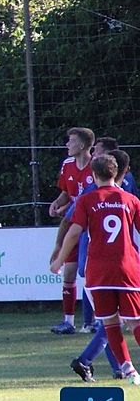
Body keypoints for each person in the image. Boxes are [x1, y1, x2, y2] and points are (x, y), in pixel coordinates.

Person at [50, 153, 140, 386]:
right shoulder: (131, 200)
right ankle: (126, 369)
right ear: (118, 172)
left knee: (110, 323)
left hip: (98, 271)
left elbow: (73, 232)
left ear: (92, 175)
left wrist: (59, 260)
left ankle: (129, 370)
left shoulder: (87, 200)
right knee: (135, 322)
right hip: (127, 269)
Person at [69, 149, 133, 381]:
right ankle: (115, 366)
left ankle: (95, 362)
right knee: (116, 321)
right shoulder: (122, 196)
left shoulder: (121, 194)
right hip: (114, 267)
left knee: (112, 320)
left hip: (104, 267)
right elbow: (72, 221)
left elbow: (70, 224)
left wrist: (59, 252)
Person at [48, 127, 95, 334]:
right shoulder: (67, 165)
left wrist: (67, 209)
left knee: (90, 274)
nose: (67, 144)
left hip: (91, 227)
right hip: (72, 224)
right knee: (69, 272)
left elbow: (89, 197)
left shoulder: (96, 166)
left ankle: (97, 320)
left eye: (71, 140)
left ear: (83, 145)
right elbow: (66, 193)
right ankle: (68, 322)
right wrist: (56, 203)